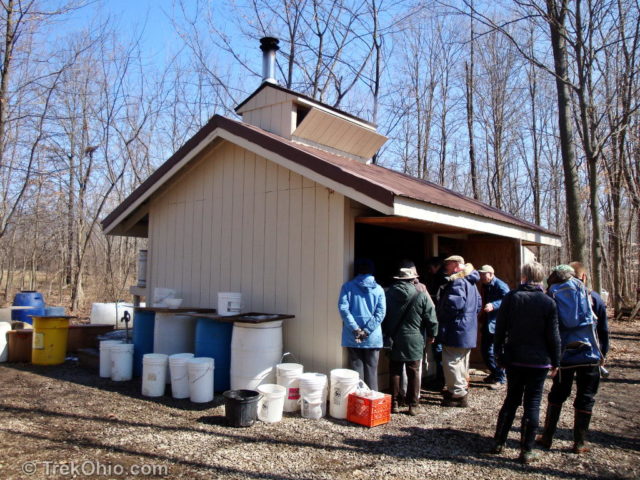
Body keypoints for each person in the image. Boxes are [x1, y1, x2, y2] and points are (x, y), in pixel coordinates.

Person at [491, 262, 561, 464]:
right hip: (539, 362)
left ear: (523, 276)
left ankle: (499, 442)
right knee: (533, 403)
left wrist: (498, 354)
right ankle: (526, 451)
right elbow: (553, 335)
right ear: (540, 277)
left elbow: (500, 329)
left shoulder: (512, 297)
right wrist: (556, 361)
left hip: (515, 359)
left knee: (511, 400)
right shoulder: (548, 302)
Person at [537, 263, 609, 454]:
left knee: (558, 395)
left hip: (564, 356)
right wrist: (604, 353)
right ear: (582, 278)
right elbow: (603, 330)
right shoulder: (593, 298)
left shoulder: (551, 297)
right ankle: (580, 443)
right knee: (586, 397)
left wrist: (551, 356)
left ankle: (547, 437)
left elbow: (547, 329)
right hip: (590, 355)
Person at [384, 266, 438, 415]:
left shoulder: (388, 295)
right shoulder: (420, 295)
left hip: (393, 337)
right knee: (413, 371)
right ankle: (413, 405)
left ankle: (393, 403)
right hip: (414, 338)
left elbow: (383, 315)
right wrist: (432, 334)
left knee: (395, 370)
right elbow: (431, 317)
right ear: (412, 279)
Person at [436, 255, 481, 407]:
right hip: (467, 329)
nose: (445, 268)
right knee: (462, 362)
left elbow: (453, 306)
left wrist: (440, 316)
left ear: (456, 265)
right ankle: (460, 389)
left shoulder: (458, 282)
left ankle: (457, 394)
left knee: (451, 361)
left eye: (447, 264)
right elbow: (479, 304)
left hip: (456, 329)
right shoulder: (471, 282)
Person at [338, 258, 386, 391]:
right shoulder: (379, 289)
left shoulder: (347, 287)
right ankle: (372, 402)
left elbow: (343, 309)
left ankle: (359, 404)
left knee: (356, 372)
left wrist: (356, 329)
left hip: (353, 336)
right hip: (372, 337)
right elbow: (380, 313)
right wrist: (366, 330)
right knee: (372, 371)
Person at [478, 265, 510, 389]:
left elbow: (507, 300)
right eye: (480, 274)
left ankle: (500, 378)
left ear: (491, 274)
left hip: (497, 324)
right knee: (485, 351)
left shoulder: (501, 285)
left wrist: (494, 305)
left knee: (495, 352)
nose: (481, 277)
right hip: (488, 323)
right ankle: (495, 373)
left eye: (483, 274)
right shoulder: (485, 285)